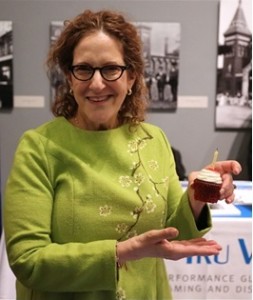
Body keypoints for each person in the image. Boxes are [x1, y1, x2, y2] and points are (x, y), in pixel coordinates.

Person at [3, 9, 241, 300]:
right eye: (84, 69)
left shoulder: (154, 140)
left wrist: (197, 196)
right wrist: (123, 252)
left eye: (110, 69)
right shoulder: (40, 147)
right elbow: (28, 260)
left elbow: (173, 232)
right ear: (69, 77)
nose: (97, 83)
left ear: (131, 78)